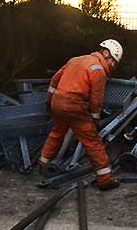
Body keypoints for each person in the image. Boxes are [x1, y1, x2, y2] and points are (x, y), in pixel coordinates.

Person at [38, 39, 123, 191]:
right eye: (113, 61)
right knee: (92, 141)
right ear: (105, 53)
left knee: (57, 133)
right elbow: (96, 100)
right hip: (74, 105)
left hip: (57, 102)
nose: (113, 66)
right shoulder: (99, 70)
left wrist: (49, 101)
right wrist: (95, 120)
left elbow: (55, 80)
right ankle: (105, 179)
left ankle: (42, 164)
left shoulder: (75, 60)